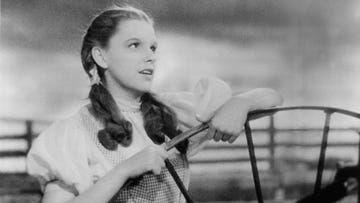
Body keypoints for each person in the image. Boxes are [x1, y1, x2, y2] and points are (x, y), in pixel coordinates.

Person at [26, 5, 283, 203]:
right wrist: (124, 170)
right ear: (100, 56)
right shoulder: (73, 135)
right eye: (134, 45)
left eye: (153, 48)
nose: (150, 57)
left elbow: (273, 97)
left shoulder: (171, 113)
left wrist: (240, 102)